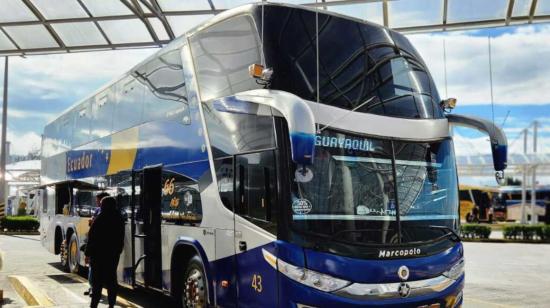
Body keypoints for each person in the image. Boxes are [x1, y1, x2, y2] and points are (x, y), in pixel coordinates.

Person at [85, 196, 125, 308]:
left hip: (98, 256)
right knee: (112, 280)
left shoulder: (100, 218)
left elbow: (92, 237)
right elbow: (120, 237)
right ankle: (111, 305)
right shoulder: (119, 218)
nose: (100, 206)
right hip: (113, 255)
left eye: (101, 204)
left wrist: (87, 254)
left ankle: (94, 305)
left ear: (105, 205)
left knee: (97, 283)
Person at [84, 192, 109, 297]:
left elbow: (92, 232)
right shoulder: (117, 214)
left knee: (93, 269)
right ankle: (93, 288)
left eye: (98, 200)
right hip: (109, 249)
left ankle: (94, 290)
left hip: (98, 247)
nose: (97, 202)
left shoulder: (100, 213)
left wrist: (87, 253)